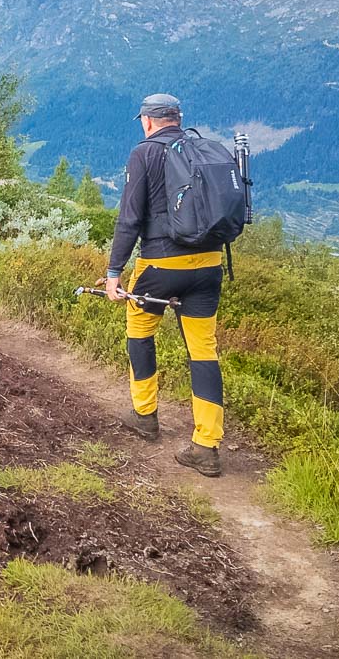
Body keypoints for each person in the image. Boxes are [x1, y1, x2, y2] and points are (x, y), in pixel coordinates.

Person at [93, 92, 225, 476]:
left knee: (140, 330)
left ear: (148, 121)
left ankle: (145, 416)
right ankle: (207, 445)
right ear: (178, 119)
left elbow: (129, 218)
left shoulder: (145, 153)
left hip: (161, 264)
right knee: (203, 351)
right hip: (209, 265)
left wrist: (115, 272)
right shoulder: (203, 149)